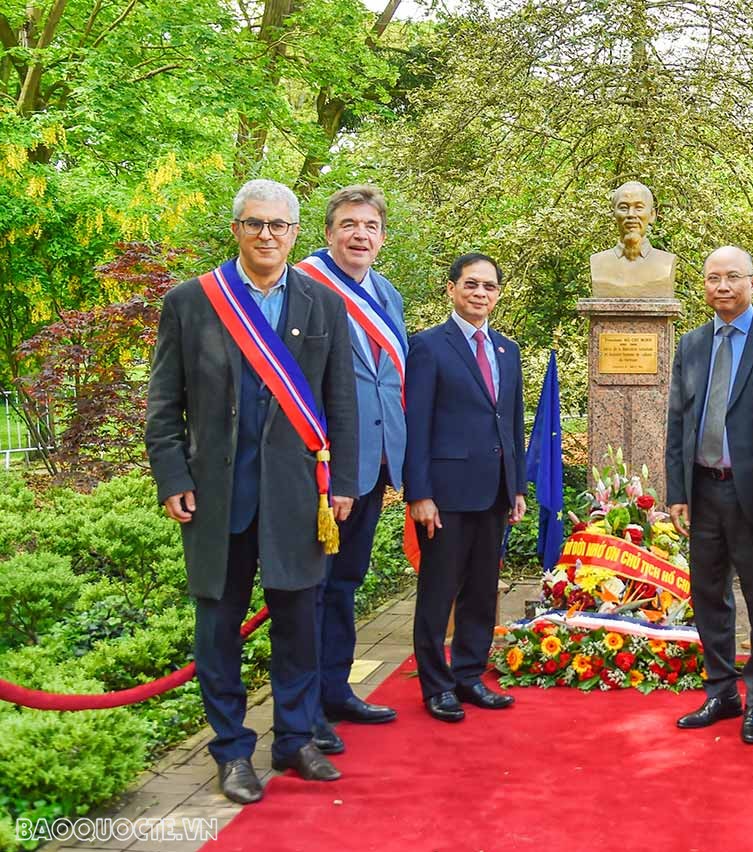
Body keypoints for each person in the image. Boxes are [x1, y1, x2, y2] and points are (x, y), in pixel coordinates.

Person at [145, 179, 358, 804]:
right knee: (217, 630)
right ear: (237, 229)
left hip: (299, 497)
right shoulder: (192, 301)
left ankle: (293, 739)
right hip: (217, 499)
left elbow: (341, 402)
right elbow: (164, 403)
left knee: (298, 625)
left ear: (294, 233)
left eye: (278, 225)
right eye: (255, 223)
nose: (267, 235)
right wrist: (172, 477)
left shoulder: (324, 304)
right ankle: (232, 751)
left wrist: (344, 482)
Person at [294, 185, 407, 753]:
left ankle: (336, 691)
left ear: (382, 237)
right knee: (312, 590)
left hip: (377, 460)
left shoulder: (388, 293)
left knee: (346, 584)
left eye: (370, 226)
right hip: (326, 466)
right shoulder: (303, 288)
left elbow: (390, 378)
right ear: (328, 232)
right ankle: (305, 708)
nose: (360, 235)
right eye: (349, 224)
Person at [665, 246, 753, 744]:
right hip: (704, 491)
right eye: (713, 277)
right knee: (708, 595)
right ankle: (721, 691)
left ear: (752, 282)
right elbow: (678, 422)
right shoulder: (692, 344)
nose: (722, 286)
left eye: (733, 277)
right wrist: (678, 491)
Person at [404, 253, 527, 722]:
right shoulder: (428, 346)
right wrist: (419, 494)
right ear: (452, 289)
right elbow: (417, 424)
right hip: (446, 494)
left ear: (498, 294)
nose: (480, 293)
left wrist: (516, 487)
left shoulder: (507, 350)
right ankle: (437, 686)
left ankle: (469, 675)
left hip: (494, 491)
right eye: (471, 284)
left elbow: (511, 423)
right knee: (439, 593)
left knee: (481, 590)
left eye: (489, 286)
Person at [588, 181, 677, 298]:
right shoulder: (599, 263)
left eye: (639, 208)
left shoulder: (665, 264)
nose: (631, 214)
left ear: (652, 215)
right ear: (613, 214)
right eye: (623, 208)